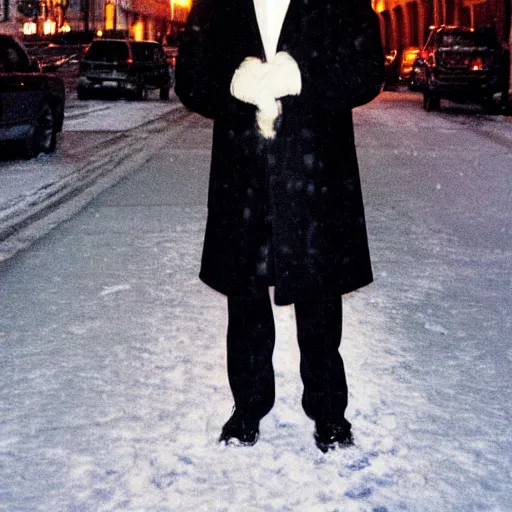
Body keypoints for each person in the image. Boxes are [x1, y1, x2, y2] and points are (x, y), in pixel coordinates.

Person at [175, 0, 384, 452]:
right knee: (246, 303)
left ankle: (329, 414)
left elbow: (368, 70)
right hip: (242, 174)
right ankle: (248, 409)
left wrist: (303, 75)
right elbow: (189, 78)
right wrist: (231, 81)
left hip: (316, 176)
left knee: (321, 305)